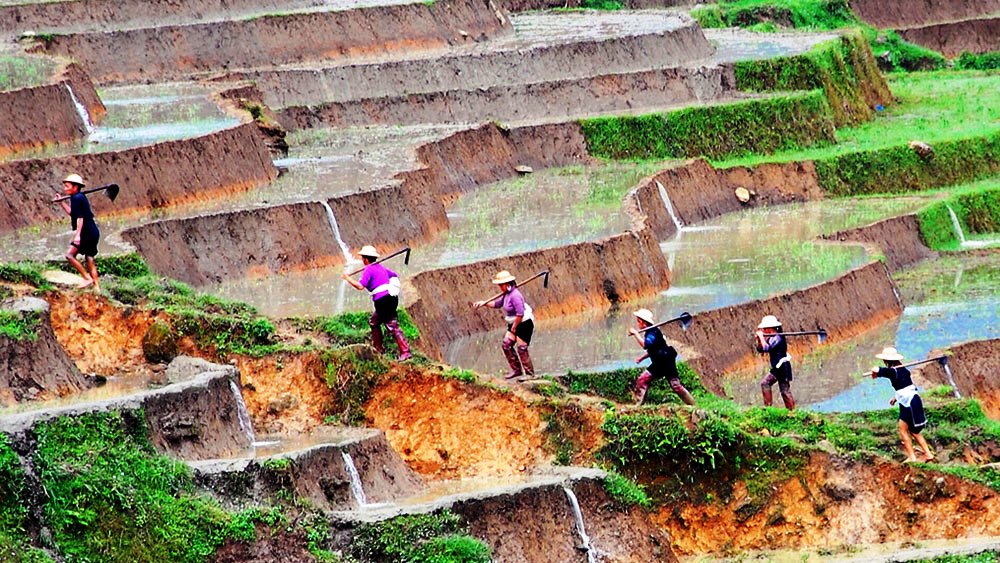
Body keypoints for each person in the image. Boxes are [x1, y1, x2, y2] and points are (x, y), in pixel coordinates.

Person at [341, 245, 411, 361]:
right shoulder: (381, 267)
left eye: (363, 258)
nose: (363, 260)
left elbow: (360, 286)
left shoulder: (369, 269)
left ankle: (405, 352)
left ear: (366, 259)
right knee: (374, 322)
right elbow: (394, 275)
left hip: (383, 301)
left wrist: (347, 278)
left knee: (392, 325)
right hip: (391, 298)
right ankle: (378, 349)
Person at [871, 347, 935, 463]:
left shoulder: (893, 371)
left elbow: (876, 369)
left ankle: (914, 457)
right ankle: (925, 454)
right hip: (910, 401)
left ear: (886, 360)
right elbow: (904, 386)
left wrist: (874, 372)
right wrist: (895, 398)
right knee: (906, 429)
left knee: (911, 431)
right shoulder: (902, 370)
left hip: (909, 403)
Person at [473, 270, 534, 379]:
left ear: (508, 284)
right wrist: (484, 303)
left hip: (523, 324)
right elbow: (497, 304)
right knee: (506, 345)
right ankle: (517, 370)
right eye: (499, 285)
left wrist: (515, 326)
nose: (500, 287)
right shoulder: (506, 295)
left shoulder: (515, 296)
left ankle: (530, 375)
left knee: (522, 348)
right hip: (513, 322)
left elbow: (520, 313)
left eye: (501, 285)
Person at [628, 308, 696, 406]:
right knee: (642, 380)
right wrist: (642, 358)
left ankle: (692, 405)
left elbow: (645, 345)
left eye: (638, 321)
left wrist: (635, 334)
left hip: (666, 361)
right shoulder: (650, 332)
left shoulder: (652, 333)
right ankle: (638, 405)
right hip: (659, 362)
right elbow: (654, 350)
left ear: (643, 322)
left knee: (675, 385)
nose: (637, 324)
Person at [52, 174, 101, 291]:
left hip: (86, 233)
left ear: (75, 187)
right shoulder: (79, 197)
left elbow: (80, 218)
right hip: (93, 231)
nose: (65, 189)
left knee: (69, 255)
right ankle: (97, 287)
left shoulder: (76, 198)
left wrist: (78, 236)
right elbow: (73, 214)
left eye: (67, 186)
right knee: (89, 259)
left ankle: (87, 278)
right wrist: (61, 202)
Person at [755, 315, 795, 410]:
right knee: (780, 388)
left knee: (782, 389)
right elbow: (761, 349)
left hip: (782, 367)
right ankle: (771, 409)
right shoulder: (771, 337)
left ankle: (790, 411)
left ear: (770, 328)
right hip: (777, 367)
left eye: (765, 329)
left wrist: (761, 338)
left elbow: (767, 348)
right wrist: (759, 340)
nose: (764, 331)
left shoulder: (778, 338)